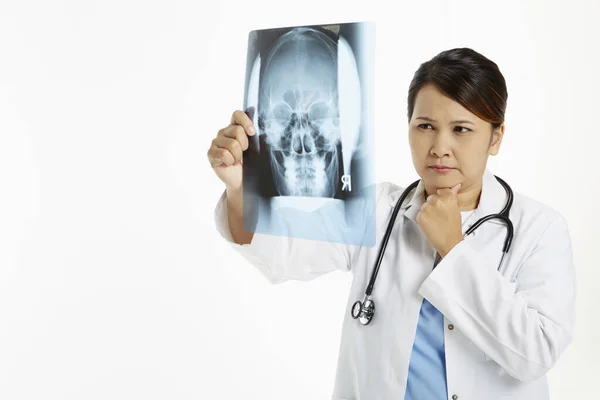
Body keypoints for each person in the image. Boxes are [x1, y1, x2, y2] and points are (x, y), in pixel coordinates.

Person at [206, 47, 576, 400]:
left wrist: (453, 247)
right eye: (426, 125)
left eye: (461, 129)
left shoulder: (540, 230)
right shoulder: (377, 208)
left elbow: (535, 353)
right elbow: (283, 252)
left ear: (496, 137)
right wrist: (240, 188)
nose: (439, 147)